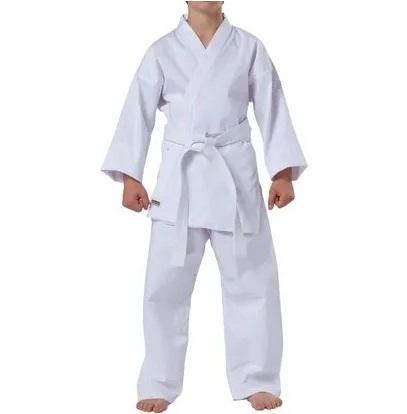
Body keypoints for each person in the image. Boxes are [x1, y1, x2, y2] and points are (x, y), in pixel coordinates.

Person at [101, 1, 307, 412]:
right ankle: (158, 380)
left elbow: (272, 107)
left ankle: (257, 377)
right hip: (180, 178)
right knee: (164, 284)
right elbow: (136, 112)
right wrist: (130, 175)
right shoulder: (162, 51)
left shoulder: (249, 48)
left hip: (234, 174)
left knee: (252, 279)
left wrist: (282, 172)